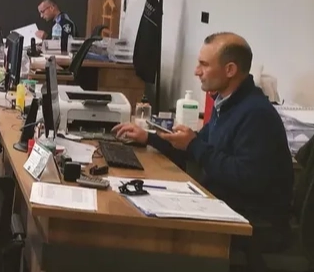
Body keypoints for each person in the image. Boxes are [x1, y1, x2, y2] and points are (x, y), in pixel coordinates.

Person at [113, 32, 293, 269]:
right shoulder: (227, 103)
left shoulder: (256, 114)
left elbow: (247, 177)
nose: (197, 71)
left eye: (204, 64)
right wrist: (149, 138)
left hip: (251, 223)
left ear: (230, 70)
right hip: (222, 204)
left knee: (141, 234)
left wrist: (194, 144)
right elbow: (197, 148)